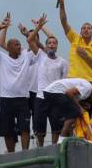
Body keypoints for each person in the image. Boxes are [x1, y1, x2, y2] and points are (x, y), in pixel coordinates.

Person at [0, 12, 36, 152]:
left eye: (20, 44)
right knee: (8, 130)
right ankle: (11, 154)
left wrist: (27, 34)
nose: (19, 47)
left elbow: (37, 47)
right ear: (9, 47)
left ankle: (25, 152)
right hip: (6, 99)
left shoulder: (26, 56)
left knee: (25, 128)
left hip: (22, 99)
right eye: (16, 44)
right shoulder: (1, 58)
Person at [57, 0, 92, 130]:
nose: (85, 29)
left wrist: (85, 56)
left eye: (89, 28)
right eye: (83, 28)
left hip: (89, 84)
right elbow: (64, 22)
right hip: (73, 82)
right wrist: (62, 5)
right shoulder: (75, 39)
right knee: (73, 114)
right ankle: (73, 140)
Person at [26, 15, 69, 146]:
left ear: (57, 46)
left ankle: (55, 147)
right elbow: (30, 39)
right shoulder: (40, 56)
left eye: (54, 43)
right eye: (49, 43)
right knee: (39, 128)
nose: (51, 45)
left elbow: (64, 81)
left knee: (56, 126)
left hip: (55, 97)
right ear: (45, 46)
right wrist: (38, 27)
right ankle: (40, 146)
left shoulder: (62, 62)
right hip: (41, 96)